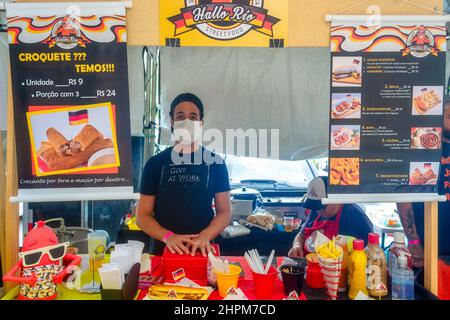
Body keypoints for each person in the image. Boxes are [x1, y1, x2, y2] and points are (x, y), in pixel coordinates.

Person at [137, 93, 232, 257]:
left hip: (202, 250)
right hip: (163, 250)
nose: (187, 121)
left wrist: (205, 236)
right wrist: (168, 237)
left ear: (201, 123)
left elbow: (224, 212)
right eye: (180, 116)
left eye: (193, 117)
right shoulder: (155, 163)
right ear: (172, 122)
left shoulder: (216, 163)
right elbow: (142, 216)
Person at [397, 96, 450, 269]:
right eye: (448, 114)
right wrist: (413, 241)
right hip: (430, 248)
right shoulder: (422, 149)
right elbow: (404, 198)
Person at [289, 176, 374, 258]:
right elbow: (301, 235)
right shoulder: (315, 210)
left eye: (321, 207)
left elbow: (370, 251)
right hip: (310, 265)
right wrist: (297, 246)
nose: (318, 211)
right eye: (315, 207)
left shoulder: (354, 215)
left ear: (335, 198)